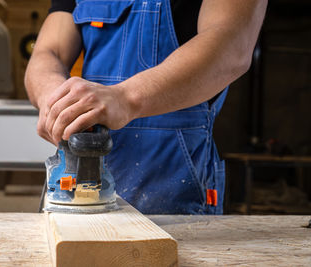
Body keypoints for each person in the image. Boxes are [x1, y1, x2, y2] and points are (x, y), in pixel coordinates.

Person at [25, 0, 268, 214]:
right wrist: (56, 100)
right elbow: (48, 51)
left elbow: (232, 44)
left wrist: (125, 98)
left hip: (174, 188)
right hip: (83, 181)